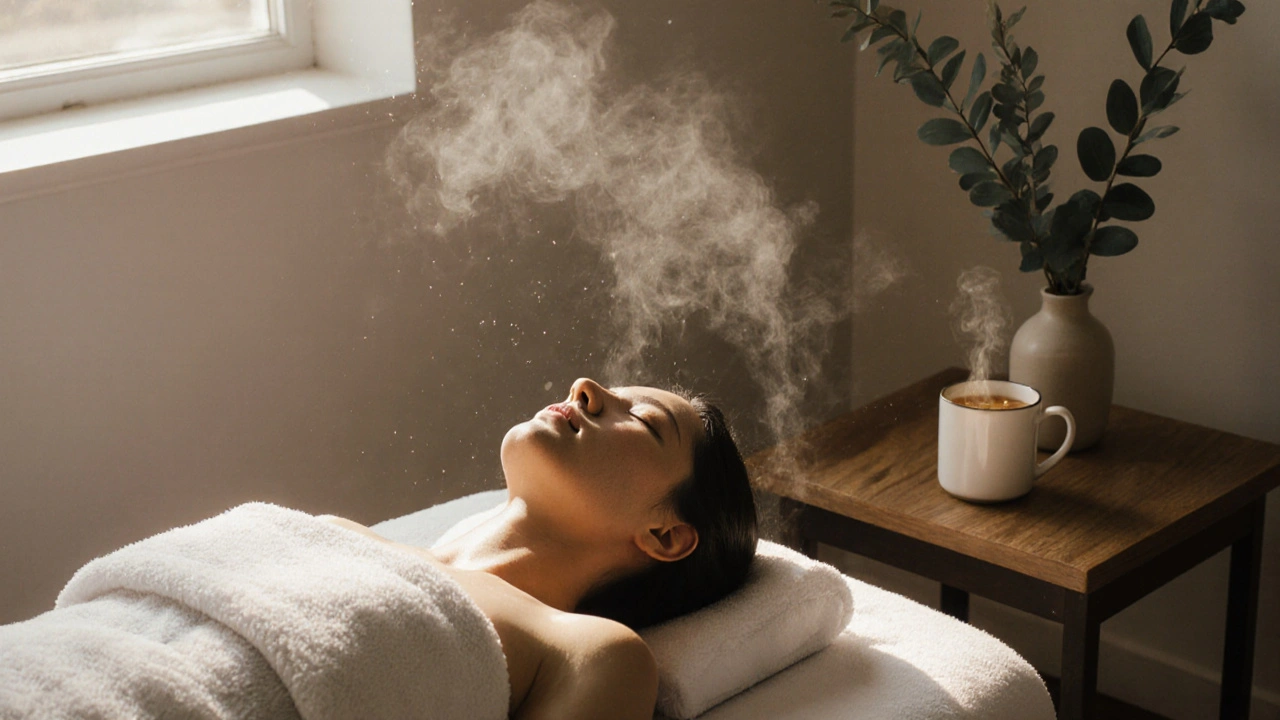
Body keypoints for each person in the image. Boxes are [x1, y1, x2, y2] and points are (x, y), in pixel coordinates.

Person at [325, 377, 758, 719]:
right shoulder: (338, 533)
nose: (585, 387)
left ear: (665, 536)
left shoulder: (590, 654)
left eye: (644, 421)